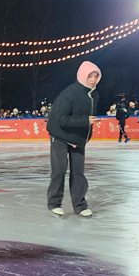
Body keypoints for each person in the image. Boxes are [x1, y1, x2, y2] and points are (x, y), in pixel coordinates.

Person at [46, 60, 101, 217]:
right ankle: (54, 203)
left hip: (78, 138)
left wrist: (87, 131)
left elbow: (86, 118)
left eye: (96, 76)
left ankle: (80, 205)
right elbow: (61, 119)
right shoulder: (69, 93)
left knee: (78, 172)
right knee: (60, 169)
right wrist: (86, 121)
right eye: (90, 76)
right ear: (82, 76)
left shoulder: (93, 95)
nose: (93, 80)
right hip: (60, 135)